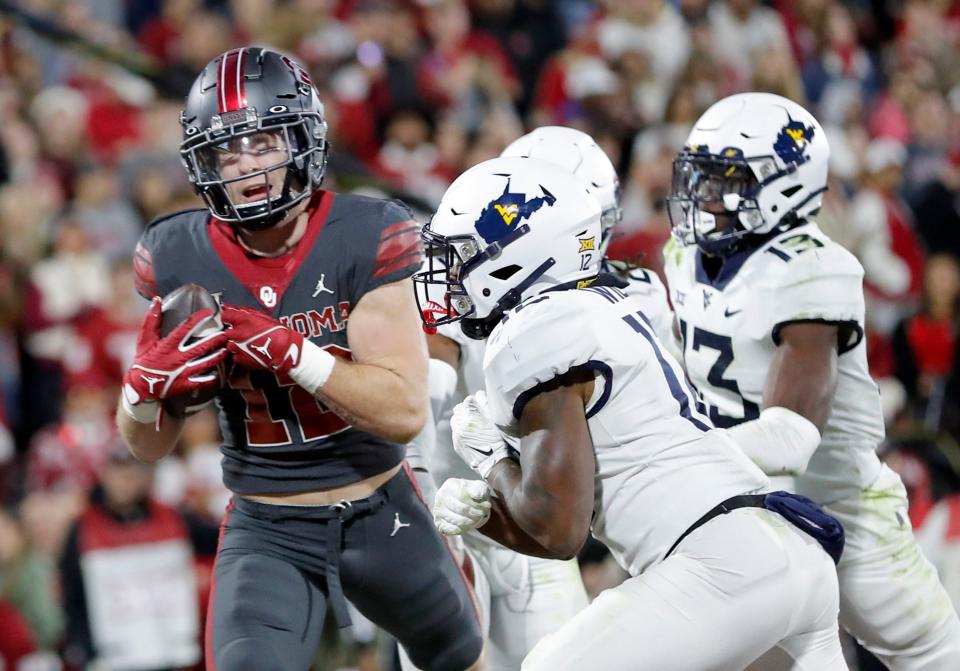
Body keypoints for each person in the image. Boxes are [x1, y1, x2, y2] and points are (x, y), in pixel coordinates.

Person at [116, 47, 482, 671]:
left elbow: (401, 414)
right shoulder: (176, 256)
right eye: (227, 152)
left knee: (460, 656)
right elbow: (146, 447)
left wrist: (295, 355)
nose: (247, 168)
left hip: (381, 507)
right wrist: (139, 394)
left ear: (303, 138)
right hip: (267, 527)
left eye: (263, 144)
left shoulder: (364, 232)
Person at [417, 155, 847, 670]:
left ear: (515, 255)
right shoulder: (599, 305)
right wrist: (485, 513)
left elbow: (559, 532)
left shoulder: (533, 333)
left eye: (461, 256)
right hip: (785, 553)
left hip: (721, 564)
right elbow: (556, 515)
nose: (449, 276)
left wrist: (490, 460)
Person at [662, 91, 960, 668]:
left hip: (841, 506)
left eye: (727, 180)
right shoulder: (684, 254)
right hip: (743, 504)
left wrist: (672, 458)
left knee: (933, 654)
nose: (704, 196)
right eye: (700, 177)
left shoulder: (812, 268)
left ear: (784, 188)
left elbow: (788, 437)